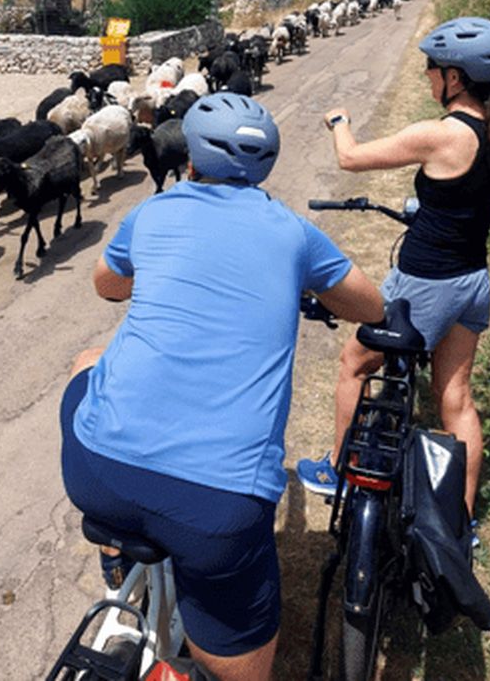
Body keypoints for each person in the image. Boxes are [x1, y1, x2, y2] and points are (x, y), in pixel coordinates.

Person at [60, 92, 384, 681]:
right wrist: (307, 288)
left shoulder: (152, 213)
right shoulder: (294, 234)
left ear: (189, 159)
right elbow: (371, 306)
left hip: (95, 474)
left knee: (90, 360)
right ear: (265, 167)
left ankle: (115, 557)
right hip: (217, 508)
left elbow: (107, 284)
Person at [297, 16, 490, 525]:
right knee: (455, 398)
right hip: (472, 283)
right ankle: (461, 521)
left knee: (354, 364)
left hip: (424, 283)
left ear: (454, 78)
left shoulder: (440, 136)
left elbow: (350, 158)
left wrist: (339, 120)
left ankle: (336, 468)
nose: (426, 76)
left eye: (431, 69)